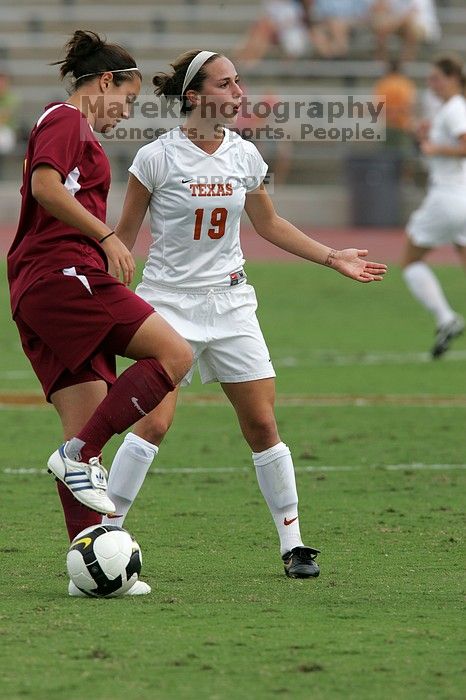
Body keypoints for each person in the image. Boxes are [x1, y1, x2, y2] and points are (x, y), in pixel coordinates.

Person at [99, 49, 387, 582]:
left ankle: (294, 544)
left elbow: (269, 223)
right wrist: (105, 277)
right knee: (154, 422)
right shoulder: (156, 158)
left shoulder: (245, 155)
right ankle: (105, 534)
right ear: (194, 96)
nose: (238, 92)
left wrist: (331, 256)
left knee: (261, 423)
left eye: (239, 82)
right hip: (169, 304)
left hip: (232, 304)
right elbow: (125, 238)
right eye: (226, 84)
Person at [7, 31, 193, 596]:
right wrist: (108, 236)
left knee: (84, 418)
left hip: (38, 288)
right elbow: (44, 188)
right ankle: (77, 454)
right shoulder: (66, 119)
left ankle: (89, 571)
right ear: (105, 82)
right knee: (175, 354)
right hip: (62, 275)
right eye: (127, 99)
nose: (126, 112)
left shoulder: (65, 124)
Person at [402, 56, 466, 359]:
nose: (431, 84)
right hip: (461, 195)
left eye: (436, 78)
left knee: (411, 260)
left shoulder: (454, 108)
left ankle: (446, 318)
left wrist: (433, 148)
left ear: (454, 78)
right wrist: (426, 139)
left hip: (448, 197)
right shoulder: (450, 108)